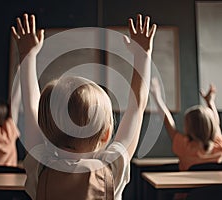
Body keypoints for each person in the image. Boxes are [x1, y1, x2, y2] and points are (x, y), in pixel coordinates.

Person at [11, 13, 156, 200]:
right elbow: (137, 106)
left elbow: (31, 107)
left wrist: (27, 55)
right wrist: (142, 55)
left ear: (45, 128)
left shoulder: (41, 167)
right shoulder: (111, 169)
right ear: (105, 134)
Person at [150, 78, 222, 171]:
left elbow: (168, 122)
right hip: (216, 186)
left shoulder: (185, 147)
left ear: (188, 128)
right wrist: (210, 102)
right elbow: (216, 124)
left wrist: (157, 98)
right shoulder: (220, 147)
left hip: (189, 186)